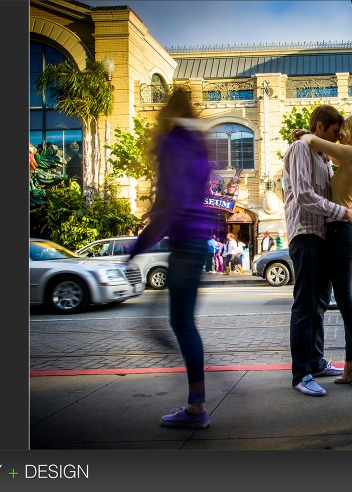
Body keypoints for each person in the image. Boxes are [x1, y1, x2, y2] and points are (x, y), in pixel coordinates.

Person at [128, 88, 219, 429]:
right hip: (198, 241)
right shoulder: (199, 147)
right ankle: (198, 397)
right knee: (180, 323)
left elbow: (173, 203)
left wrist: (138, 246)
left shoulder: (172, 145)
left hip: (184, 243)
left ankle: (197, 405)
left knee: (177, 323)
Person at [293, 113, 352, 387]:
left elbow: (316, 143)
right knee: (348, 300)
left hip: (341, 232)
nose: (341, 137)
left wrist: (303, 134)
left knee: (345, 300)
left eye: (344, 132)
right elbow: (327, 159)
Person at [283, 104, 352, 397]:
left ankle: (315, 362)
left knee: (319, 303)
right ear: (319, 128)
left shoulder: (322, 156)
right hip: (306, 233)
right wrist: (344, 213)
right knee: (305, 305)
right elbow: (304, 195)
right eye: (333, 132)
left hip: (323, 235)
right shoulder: (300, 150)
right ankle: (301, 373)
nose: (337, 139)